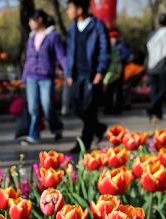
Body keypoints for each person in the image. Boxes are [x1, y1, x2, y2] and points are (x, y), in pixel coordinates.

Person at [65, 0, 109, 154]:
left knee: (90, 109)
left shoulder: (97, 26)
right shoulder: (72, 29)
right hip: (76, 75)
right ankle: (99, 127)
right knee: (77, 108)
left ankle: (84, 144)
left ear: (80, 9)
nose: (68, 11)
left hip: (92, 74)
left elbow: (104, 49)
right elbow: (69, 52)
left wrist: (100, 71)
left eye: (70, 8)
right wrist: (69, 72)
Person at [21, 9, 66, 145]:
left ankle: (57, 127)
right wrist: (24, 78)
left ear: (40, 20)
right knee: (33, 108)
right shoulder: (31, 37)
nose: (29, 23)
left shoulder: (53, 36)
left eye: (31, 20)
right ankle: (33, 135)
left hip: (46, 77)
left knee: (47, 106)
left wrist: (68, 72)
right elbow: (28, 59)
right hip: (31, 77)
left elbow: (61, 56)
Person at [146, 13, 166, 122]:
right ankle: (152, 108)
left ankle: (157, 113)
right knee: (163, 89)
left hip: (151, 65)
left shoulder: (152, 34)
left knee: (155, 90)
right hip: (162, 65)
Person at [104, 28, 127, 115]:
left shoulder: (121, 47)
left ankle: (118, 109)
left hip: (118, 72)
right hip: (109, 73)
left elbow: (126, 56)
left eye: (115, 37)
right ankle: (108, 108)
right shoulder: (107, 47)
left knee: (118, 91)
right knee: (109, 92)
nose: (114, 39)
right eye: (112, 38)